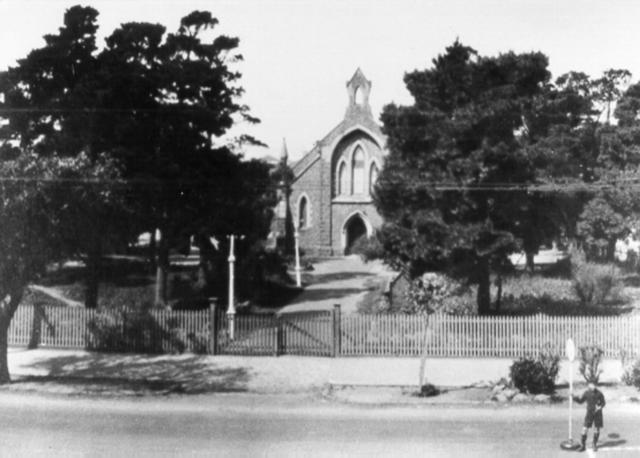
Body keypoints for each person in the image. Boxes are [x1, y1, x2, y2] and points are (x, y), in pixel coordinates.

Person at [573, 381, 606, 452]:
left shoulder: (599, 393)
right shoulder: (586, 393)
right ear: (589, 385)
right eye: (591, 385)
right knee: (584, 429)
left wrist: (599, 407)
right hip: (589, 413)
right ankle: (583, 446)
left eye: (594, 385)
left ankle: (594, 444)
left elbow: (603, 403)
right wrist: (574, 397)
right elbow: (580, 401)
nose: (593, 386)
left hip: (598, 413)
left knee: (597, 429)